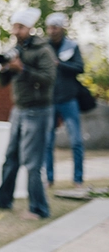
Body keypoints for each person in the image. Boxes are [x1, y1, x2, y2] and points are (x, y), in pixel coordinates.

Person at [0, 8, 56, 219]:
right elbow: (2, 84)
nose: (16, 31)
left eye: (20, 27)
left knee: (33, 162)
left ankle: (39, 209)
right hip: (18, 110)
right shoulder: (15, 50)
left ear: (29, 28)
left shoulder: (43, 50)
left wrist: (23, 69)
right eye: (14, 27)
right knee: (11, 157)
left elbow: (49, 78)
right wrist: (5, 70)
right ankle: (2, 201)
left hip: (38, 111)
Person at [43, 12, 85, 188]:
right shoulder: (43, 46)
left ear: (62, 28)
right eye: (50, 27)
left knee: (76, 141)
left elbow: (80, 67)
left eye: (55, 27)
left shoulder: (71, 46)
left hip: (68, 100)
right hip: (49, 101)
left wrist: (60, 64)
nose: (52, 30)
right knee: (48, 142)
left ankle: (78, 179)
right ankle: (49, 179)